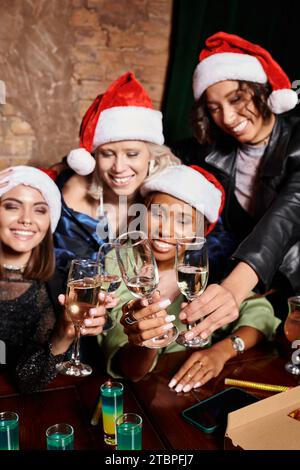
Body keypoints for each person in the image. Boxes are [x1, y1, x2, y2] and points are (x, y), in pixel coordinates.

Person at [171, 31, 300, 343]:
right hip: (258, 302)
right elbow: (157, 153)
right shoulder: (212, 150)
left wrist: (234, 287)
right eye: (214, 107)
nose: (227, 118)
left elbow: (291, 208)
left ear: (261, 90)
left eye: (237, 99)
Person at [101, 164, 280, 385]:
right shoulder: (119, 262)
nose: (165, 230)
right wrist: (147, 339)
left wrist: (221, 352)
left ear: (200, 231)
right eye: (157, 214)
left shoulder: (202, 268)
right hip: (140, 391)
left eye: (183, 221)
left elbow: (260, 313)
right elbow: (130, 369)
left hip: (196, 387)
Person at [53, 71, 180, 282]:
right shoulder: (72, 195)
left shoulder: (172, 193)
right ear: (94, 157)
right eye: (107, 154)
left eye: (132, 154)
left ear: (151, 155)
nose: (119, 167)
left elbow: (205, 248)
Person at [0, 166, 109, 393]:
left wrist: (65, 333)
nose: (27, 219)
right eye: (12, 206)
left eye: (40, 210)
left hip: (52, 402)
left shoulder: (67, 278)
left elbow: (28, 381)